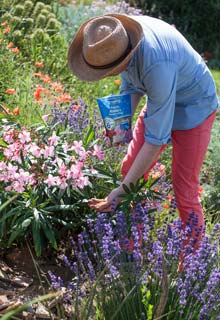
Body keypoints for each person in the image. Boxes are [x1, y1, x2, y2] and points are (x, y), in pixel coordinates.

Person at [67, 14, 219, 248]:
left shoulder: (157, 64)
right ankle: (133, 247)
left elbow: (156, 140)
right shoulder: (116, 37)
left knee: (184, 188)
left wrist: (122, 189)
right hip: (162, 94)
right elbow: (133, 82)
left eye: (113, 69)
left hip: (195, 108)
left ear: (124, 55)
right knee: (130, 168)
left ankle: (191, 263)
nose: (111, 73)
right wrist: (119, 127)